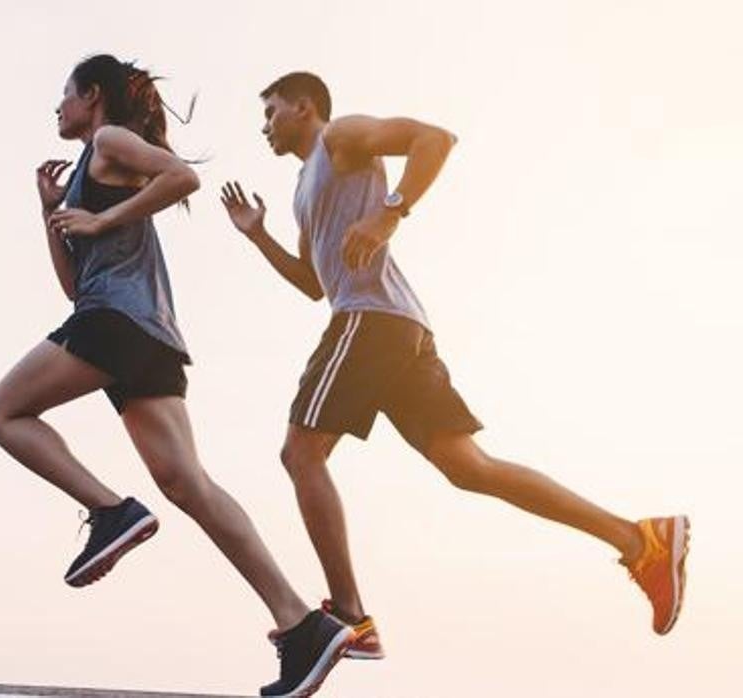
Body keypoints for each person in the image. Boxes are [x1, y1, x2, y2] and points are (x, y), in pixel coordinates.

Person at [218, 71, 690, 660]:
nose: (264, 126)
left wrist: (390, 214)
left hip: (370, 322)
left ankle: (351, 616)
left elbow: (434, 139)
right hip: (396, 326)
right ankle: (639, 539)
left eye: (271, 112)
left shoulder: (341, 136)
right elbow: (314, 284)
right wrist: (258, 236)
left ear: (303, 107)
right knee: (470, 467)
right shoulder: (303, 189)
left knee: (300, 452)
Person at [0, 56, 350, 696]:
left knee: (3, 414)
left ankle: (110, 511)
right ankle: (300, 625)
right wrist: (53, 214)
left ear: (92, 97)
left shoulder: (110, 139)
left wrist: (101, 219)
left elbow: (182, 178)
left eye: (64, 96)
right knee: (190, 485)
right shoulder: (82, 176)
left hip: (119, 325)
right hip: (143, 336)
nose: (57, 109)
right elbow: (77, 286)